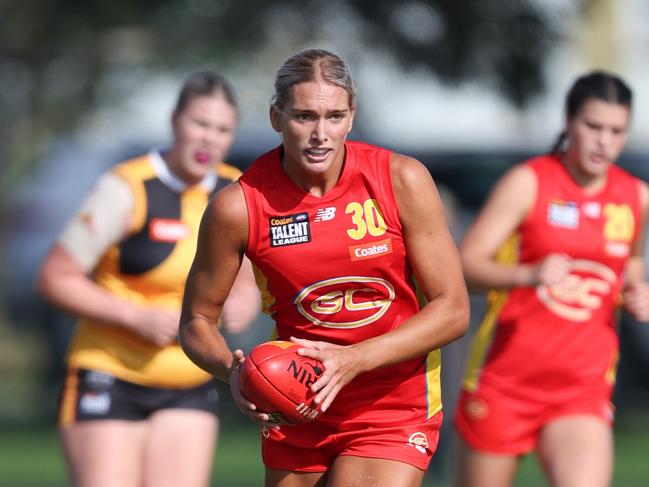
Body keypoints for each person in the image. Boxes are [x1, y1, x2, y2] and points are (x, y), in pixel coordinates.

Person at [178, 48, 470, 487]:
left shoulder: (401, 179)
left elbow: (453, 309)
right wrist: (233, 372)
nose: (320, 134)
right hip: (296, 404)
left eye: (334, 116)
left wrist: (354, 359)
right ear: (276, 118)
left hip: (391, 403)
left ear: (352, 116)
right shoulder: (238, 206)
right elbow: (197, 320)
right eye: (304, 117)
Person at [37, 71, 260, 487]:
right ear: (175, 121)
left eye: (222, 130)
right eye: (199, 124)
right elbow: (55, 278)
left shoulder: (236, 191)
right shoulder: (126, 187)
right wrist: (136, 317)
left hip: (189, 381)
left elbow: (244, 275)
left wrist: (244, 299)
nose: (208, 139)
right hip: (110, 374)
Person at [453, 71, 649, 487]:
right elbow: (466, 266)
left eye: (616, 131)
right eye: (593, 126)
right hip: (503, 382)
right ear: (569, 121)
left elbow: (629, 264)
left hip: (582, 390)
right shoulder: (529, 182)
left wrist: (637, 291)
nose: (603, 141)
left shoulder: (635, 196)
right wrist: (529, 274)